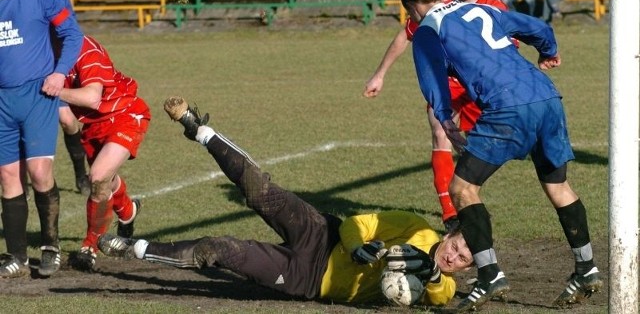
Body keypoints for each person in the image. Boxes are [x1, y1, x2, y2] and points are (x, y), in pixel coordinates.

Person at [98, 96, 474, 307]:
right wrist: (358, 247)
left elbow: (442, 295)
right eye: (457, 246)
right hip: (320, 234)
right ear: (449, 231)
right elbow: (355, 223)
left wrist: (434, 273)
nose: (454, 256)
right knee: (258, 189)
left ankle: (135, 247)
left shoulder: (445, 286)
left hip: (307, 279)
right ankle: (200, 130)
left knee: (219, 250)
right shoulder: (417, 227)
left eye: (462, 260)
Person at [400, 0, 602, 311]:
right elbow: (538, 28)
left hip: (508, 106)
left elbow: (432, 78)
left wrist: (447, 120)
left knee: (463, 188)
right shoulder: (480, 9)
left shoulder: (425, 31)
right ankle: (586, 268)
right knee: (558, 186)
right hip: (546, 96)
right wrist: (547, 51)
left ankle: (490, 274)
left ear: (413, 9)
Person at [364, 0, 507, 233]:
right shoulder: (437, 4)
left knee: (482, 149)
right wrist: (380, 74)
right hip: (447, 88)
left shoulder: (495, 7)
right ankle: (450, 214)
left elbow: (508, 49)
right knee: (440, 133)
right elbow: (406, 34)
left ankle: (466, 194)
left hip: (481, 90)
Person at [0, 0, 83, 278]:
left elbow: (71, 33)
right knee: (7, 177)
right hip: (2, 103)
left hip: (38, 97)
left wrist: (60, 72)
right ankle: (16, 256)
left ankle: (50, 247)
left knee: (38, 173)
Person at [57, 35, 149, 271]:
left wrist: (52, 90)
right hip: (92, 126)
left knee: (97, 176)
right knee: (104, 180)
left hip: (124, 113)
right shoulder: (41, 51)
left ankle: (90, 246)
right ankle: (128, 211)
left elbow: (91, 97)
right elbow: (67, 119)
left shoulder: (84, 50)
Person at [11, 0, 91, 196]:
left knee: (68, 121)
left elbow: (68, 27)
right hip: (25, 73)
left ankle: (81, 174)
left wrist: (63, 65)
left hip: (53, 67)